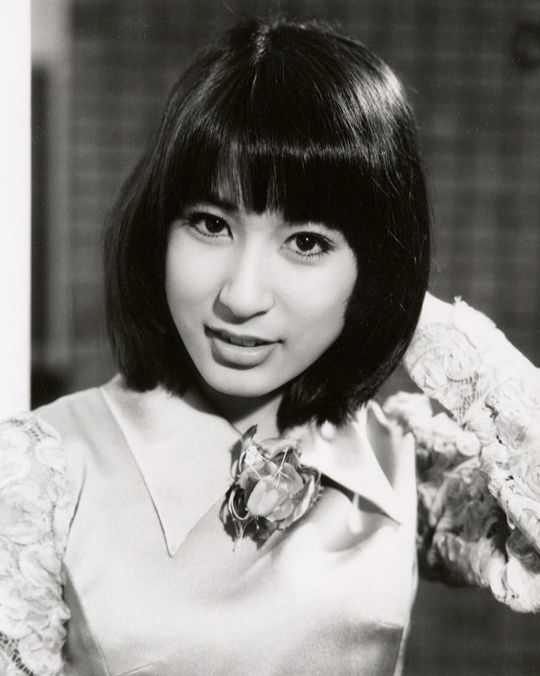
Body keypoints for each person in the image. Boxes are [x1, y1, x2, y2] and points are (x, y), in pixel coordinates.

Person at [1, 16, 539, 676]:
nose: (242, 295)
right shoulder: (43, 471)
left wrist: (401, 307)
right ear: (159, 228)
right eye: (209, 223)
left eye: (306, 242)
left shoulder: (400, 460)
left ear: (371, 266)